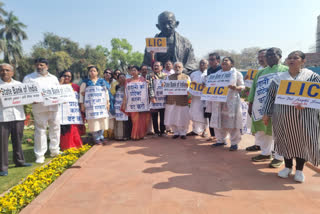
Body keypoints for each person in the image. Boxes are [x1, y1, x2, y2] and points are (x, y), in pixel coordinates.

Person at [262, 51, 320, 183]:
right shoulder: (278, 78)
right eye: (290, 58)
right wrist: (266, 113)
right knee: (285, 140)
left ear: (303, 61)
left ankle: (299, 170)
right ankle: (287, 167)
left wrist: (306, 104)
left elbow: (317, 96)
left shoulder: (312, 77)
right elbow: (270, 97)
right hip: (282, 117)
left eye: (296, 57)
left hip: (305, 117)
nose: (292, 60)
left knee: (303, 142)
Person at [248, 47, 288, 168]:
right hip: (261, 106)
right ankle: (266, 153)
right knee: (264, 130)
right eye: (268, 56)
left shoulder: (286, 70)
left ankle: (279, 157)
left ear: (280, 56)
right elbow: (253, 89)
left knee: (279, 131)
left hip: (279, 107)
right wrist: (250, 104)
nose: (269, 58)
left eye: (272, 55)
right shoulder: (260, 72)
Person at [23, 58, 61, 163]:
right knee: (40, 131)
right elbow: (25, 94)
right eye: (37, 65)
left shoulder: (53, 78)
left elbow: (59, 92)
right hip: (39, 108)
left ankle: (55, 150)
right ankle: (40, 155)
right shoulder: (29, 78)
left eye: (42, 65)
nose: (39, 67)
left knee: (56, 129)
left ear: (47, 66)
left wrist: (62, 98)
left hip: (54, 107)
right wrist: (30, 99)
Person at [0, 63, 32, 176]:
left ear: (12, 73)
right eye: (2, 70)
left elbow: (27, 98)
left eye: (7, 70)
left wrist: (34, 98)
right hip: (2, 118)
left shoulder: (19, 85)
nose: (5, 72)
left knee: (18, 140)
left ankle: (20, 161)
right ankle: (3, 167)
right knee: (2, 143)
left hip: (18, 116)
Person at [210, 57, 244, 151]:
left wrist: (236, 87)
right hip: (218, 101)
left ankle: (234, 143)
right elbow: (210, 85)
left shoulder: (237, 74)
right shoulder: (216, 75)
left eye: (226, 60)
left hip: (231, 101)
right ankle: (220, 140)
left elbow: (242, 86)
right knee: (218, 121)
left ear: (232, 64)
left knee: (232, 122)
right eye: (223, 61)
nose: (224, 62)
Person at [80, 65, 110, 145]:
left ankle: (101, 137)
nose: (92, 72)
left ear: (97, 72)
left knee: (102, 121)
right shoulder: (85, 82)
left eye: (94, 71)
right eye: (91, 71)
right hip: (91, 107)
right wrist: (82, 104)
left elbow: (106, 93)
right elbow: (81, 94)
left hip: (101, 106)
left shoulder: (102, 82)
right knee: (93, 122)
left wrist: (108, 103)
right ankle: (96, 138)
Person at [245, 49, 268, 151]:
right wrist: (246, 81)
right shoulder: (258, 70)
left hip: (269, 103)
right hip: (257, 101)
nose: (260, 59)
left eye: (262, 56)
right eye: (259, 57)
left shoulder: (277, 71)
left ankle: (271, 150)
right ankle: (258, 144)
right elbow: (251, 87)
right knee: (258, 124)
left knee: (269, 126)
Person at [121, 65, 151, 140]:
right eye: (132, 70)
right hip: (132, 104)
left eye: (134, 70)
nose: (133, 72)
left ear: (138, 72)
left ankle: (141, 135)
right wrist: (124, 102)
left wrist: (148, 84)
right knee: (135, 120)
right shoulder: (127, 81)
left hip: (141, 103)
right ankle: (134, 136)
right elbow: (126, 92)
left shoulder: (143, 80)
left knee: (142, 119)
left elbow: (146, 91)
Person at [164, 62, 190, 139]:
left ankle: (183, 133)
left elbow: (189, 89)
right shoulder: (169, 77)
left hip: (182, 100)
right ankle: (175, 132)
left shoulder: (186, 77)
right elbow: (166, 88)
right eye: (176, 67)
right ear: (173, 68)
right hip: (171, 101)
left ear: (182, 68)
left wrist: (187, 88)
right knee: (172, 117)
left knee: (183, 117)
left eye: (179, 67)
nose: (177, 68)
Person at [58, 70, 83, 150]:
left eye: (69, 76)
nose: (67, 77)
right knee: (65, 130)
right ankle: (66, 146)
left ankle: (76, 145)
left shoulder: (75, 87)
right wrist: (60, 84)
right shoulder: (57, 86)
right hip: (62, 113)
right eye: (65, 76)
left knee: (74, 129)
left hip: (73, 113)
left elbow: (80, 98)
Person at [187, 59, 208, 137]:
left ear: (207, 65)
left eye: (204, 63)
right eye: (201, 63)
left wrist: (205, 85)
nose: (202, 64)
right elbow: (189, 84)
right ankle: (195, 130)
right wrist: (192, 83)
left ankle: (205, 131)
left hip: (205, 98)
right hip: (195, 98)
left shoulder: (209, 74)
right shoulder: (193, 74)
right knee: (194, 113)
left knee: (204, 114)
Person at [204, 52, 222, 142]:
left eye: (212, 59)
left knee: (219, 115)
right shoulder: (209, 70)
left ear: (218, 60)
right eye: (209, 59)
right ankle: (213, 134)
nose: (210, 61)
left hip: (220, 97)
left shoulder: (222, 69)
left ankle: (221, 136)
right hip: (211, 96)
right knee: (210, 114)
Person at [147, 61, 166, 136]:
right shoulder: (150, 76)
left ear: (161, 67)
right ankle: (156, 131)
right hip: (154, 98)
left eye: (157, 66)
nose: (156, 67)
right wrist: (152, 96)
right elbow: (150, 86)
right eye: (154, 66)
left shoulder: (166, 76)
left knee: (163, 116)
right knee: (154, 116)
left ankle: (162, 131)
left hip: (163, 99)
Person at [114, 73, 132, 140]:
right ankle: (120, 136)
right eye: (120, 77)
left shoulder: (128, 85)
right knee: (120, 121)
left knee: (127, 121)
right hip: (118, 106)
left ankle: (127, 135)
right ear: (118, 79)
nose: (122, 79)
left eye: (123, 77)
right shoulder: (116, 87)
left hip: (127, 105)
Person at [103, 69, 115, 139]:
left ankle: (111, 135)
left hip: (112, 103)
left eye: (110, 73)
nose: (108, 74)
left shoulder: (114, 82)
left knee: (111, 119)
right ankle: (105, 135)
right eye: (106, 72)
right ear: (104, 74)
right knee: (105, 119)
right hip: (103, 102)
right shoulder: (101, 82)